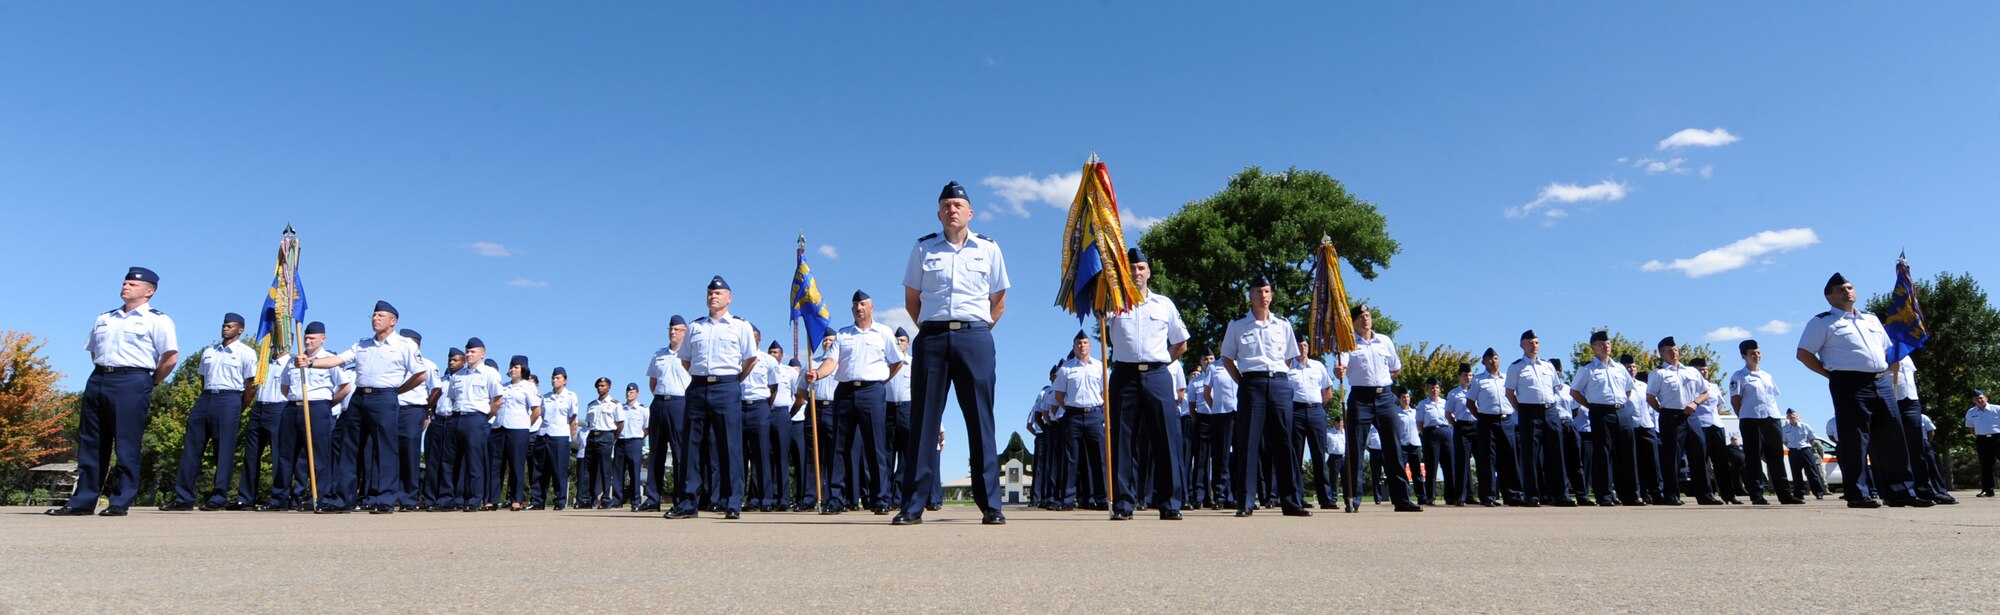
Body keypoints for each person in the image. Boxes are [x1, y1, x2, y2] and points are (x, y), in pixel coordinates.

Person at [895, 181, 1011, 526]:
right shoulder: (923, 248)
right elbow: (912, 300)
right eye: (946, 205)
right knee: (923, 423)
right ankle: (913, 505)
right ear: (939, 213)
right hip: (932, 338)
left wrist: (976, 331)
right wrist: (933, 329)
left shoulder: (989, 248)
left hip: (975, 337)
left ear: (970, 212)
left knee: (980, 420)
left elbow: (999, 301)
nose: (952, 210)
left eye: (958, 205)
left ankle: (991, 506)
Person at [51, 267, 180, 517]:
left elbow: (171, 357)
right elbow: (94, 351)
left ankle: (120, 501)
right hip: (99, 377)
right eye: (125, 283)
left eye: (133, 284)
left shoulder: (158, 319)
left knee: (126, 443)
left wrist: (151, 382)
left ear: (149, 292)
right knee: (91, 442)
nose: (126, 287)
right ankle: (83, 501)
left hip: (133, 380)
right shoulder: (105, 318)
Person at [1797, 273, 1929, 508]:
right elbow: (1804, 354)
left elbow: (1885, 349)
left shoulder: (1871, 319)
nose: (1847, 291)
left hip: (1881, 381)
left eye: (1849, 287)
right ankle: (1858, 494)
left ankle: (1900, 492)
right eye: (1840, 289)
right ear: (1829, 296)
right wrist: (1831, 374)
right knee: (1855, 441)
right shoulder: (1822, 322)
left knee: (1892, 438)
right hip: (1849, 384)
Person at [296, 301, 426, 514]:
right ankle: (342, 499)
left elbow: (420, 375)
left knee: (385, 449)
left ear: (393, 321)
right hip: (359, 398)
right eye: (374, 315)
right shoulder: (362, 344)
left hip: (384, 397)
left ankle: (384, 499)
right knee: (349, 449)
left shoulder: (404, 345)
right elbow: (338, 359)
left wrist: (397, 391)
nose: (375, 319)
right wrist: (310, 363)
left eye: (380, 315)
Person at [1101, 246, 1192, 520]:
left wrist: (1162, 362)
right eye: (1131, 269)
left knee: (1166, 438)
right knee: (1122, 440)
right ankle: (1123, 504)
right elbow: (1099, 317)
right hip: (1124, 375)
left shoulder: (1164, 304)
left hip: (1157, 374)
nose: (1136, 272)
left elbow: (1181, 342)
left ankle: (1170, 503)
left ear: (1149, 272)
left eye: (1141, 268)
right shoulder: (1113, 303)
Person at [668, 276, 759, 520]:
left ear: (729, 298)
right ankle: (688, 502)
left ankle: (732, 501)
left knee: (730, 446)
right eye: (710, 293)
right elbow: (686, 360)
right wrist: (702, 379)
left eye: (718, 293)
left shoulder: (740, 326)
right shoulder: (695, 327)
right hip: (698, 387)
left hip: (727, 387)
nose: (713, 296)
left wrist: (733, 380)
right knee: (691, 447)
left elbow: (750, 359)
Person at [1222, 275, 1311, 517]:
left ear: (1271, 295)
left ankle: (1291, 501)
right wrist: (1244, 381)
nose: (1263, 296)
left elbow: (1289, 357)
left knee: (1285, 443)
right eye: (1259, 291)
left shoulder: (1283, 324)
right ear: (1250, 296)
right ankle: (1245, 502)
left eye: (1267, 291)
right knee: (1248, 444)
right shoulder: (1237, 325)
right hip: (1252, 384)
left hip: (1280, 383)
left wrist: (1276, 377)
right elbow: (1227, 358)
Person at [816, 291, 902, 515]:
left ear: (872, 308)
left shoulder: (883, 332)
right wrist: (817, 374)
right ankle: (836, 499)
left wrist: (882, 380)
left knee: (875, 446)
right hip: (845, 392)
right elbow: (831, 361)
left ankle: (880, 498)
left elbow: (897, 361)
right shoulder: (843, 334)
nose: (859, 308)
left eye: (863, 304)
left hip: (872, 391)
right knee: (839, 447)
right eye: (855, 305)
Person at [163, 312, 256, 511]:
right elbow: (203, 378)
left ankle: (218, 497)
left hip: (229, 398)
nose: (225, 328)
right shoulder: (209, 351)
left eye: (230, 325)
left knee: (223, 451)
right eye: (224, 325)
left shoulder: (246, 352)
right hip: (206, 397)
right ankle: (183, 497)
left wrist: (240, 407)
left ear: (240, 330)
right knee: (191, 448)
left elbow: (251, 385)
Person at [276, 321, 346, 513]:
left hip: (317, 407)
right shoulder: (293, 360)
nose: (308, 341)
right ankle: (279, 497)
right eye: (306, 338)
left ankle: (319, 496)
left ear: (323, 339)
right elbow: (284, 386)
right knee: (285, 454)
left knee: (319, 455)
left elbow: (345, 387)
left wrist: (327, 404)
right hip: (293, 407)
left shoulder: (330, 359)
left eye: (312, 338)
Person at [1648, 337, 1719, 506]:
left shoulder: (1692, 372)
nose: (1674, 353)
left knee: (1699, 454)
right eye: (1669, 350)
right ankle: (1671, 495)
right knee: (1672, 457)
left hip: (1691, 415)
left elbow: (1705, 392)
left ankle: (1705, 495)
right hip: (1671, 416)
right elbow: (1650, 397)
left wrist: (1695, 403)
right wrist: (1662, 411)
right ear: (1662, 354)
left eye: (1675, 349)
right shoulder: (1659, 374)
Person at [1729, 340, 1800, 505]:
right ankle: (1757, 494)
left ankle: (1785, 494)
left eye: (1758, 353)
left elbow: (1772, 397)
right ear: (1744, 356)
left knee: (1776, 457)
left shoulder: (1767, 376)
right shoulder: (1739, 376)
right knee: (1753, 458)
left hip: (1772, 419)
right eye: (1752, 354)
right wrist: (1743, 417)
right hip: (1751, 420)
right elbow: (1735, 401)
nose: (1756, 356)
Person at [1505, 330, 1568, 507]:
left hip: (1550, 411)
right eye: (1530, 342)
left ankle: (1560, 495)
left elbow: (1555, 388)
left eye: (1536, 342)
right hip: (1529, 412)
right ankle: (1532, 495)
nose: (1534, 346)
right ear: (1522, 345)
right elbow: (1510, 393)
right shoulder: (1516, 367)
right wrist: (1522, 410)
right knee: (1530, 456)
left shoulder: (1548, 366)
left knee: (1556, 454)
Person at [1570, 331, 1631, 506]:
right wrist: (1590, 406)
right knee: (1603, 455)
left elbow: (1628, 388)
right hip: (1600, 412)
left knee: (1626, 454)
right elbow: (1574, 391)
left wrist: (1621, 403)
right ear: (1593, 347)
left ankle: (1629, 495)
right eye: (1601, 344)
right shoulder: (1587, 369)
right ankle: (1604, 495)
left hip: (1621, 411)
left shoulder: (1619, 368)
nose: (1606, 347)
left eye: (1608, 343)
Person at [441, 338, 502, 512]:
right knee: (454, 461)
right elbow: (453, 398)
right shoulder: (458, 375)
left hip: (476, 418)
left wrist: (484, 417)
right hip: (457, 417)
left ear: (483, 354)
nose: (469, 354)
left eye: (473, 351)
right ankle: (456, 498)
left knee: (475, 462)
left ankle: (474, 499)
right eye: (467, 351)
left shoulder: (489, 374)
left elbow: (498, 400)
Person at [1886, 357, 1956, 504]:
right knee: (1894, 449)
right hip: (1891, 398)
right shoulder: (1881, 349)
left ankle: (1925, 491)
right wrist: (1888, 367)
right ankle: (1897, 493)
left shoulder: (1905, 353)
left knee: (1918, 449)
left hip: (1911, 400)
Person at [235, 337, 294, 510]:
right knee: (251, 455)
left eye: (278, 342)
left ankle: (278, 498)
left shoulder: (290, 364)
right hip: (259, 407)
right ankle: (246, 498)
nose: (273, 346)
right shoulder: (264, 364)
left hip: (279, 408)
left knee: (278, 456)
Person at [1054, 333, 1108, 511]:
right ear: (1074, 346)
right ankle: (1067, 499)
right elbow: (1059, 395)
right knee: (1070, 459)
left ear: (1090, 346)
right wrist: (1071, 408)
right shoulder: (1066, 369)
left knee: (1099, 458)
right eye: (1078, 343)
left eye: (1085, 343)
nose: (1082, 346)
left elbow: (1105, 393)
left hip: (1094, 414)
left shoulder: (1100, 367)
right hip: (1073, 415)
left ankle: (1102, 498)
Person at [643, 315, 690, 512]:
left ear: (685, 332)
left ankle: (680, 498)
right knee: (656, 453)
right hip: (659, 402)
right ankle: (652, 498)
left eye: (677, 329)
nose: (673, 332)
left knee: (679, 453)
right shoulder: (659, 354)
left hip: (680, 403)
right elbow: (653, 382)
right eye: (671, 329)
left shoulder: (690, 355)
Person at [1468, 348, 1522, 506]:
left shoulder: (1507, 378)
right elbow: (1470, 403)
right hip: (1487, 421)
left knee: (1510, 458)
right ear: (1483, 362)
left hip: (1507, 420)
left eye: (1496, 358)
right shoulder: (1478, 380)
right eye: (1490, 359)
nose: (1493, 361)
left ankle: (1513, 495)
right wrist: (1481, 417)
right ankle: (1489, 496)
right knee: (1488, 459)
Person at [394, 330, 439, 511]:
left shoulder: (427, 364)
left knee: (410, 454)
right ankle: (389, 495)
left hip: (413, 410)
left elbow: (436, 389)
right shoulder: (395, 362)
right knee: (388, 453)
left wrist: (426, 410)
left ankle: (408, 498)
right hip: (392, 408)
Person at [1291, 337, 1336, 510]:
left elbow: (1328, 391)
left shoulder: (1318, 366)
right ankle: (1297, 497)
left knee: (1319, 455)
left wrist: (1318, 408)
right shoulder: (1287, 367)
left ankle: (1326, 498)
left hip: (1316, 410)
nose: (1303, 348)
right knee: (1296, 456)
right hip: (1295, 411)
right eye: (1299, 345)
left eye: (1305, 345)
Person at [1690, 358, 1741, 505]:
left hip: (1716, 425)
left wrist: (1715, 413)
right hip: (1699, 424)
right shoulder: (1691, 386)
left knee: (1721, 462)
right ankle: (1706, 494)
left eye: (1706, 369)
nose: (1704, 371)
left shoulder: (1713, 386)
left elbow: (1719, 403)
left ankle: (1728, 494)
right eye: (1701, 369)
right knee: (1702, 462)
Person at [420, 348, 464, 511]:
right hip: (437, 420)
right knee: (432, 461)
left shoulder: (463, 379)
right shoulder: (441, 380)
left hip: (453, 420)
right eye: (450, 359)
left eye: (455, 360)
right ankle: (429, 498)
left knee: (448, 461)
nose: (451, 362)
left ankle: (446, 497)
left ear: (463, 362)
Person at [739, 332, 779, 513]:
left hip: (759, 406)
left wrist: (765, 407)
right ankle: (735, 499)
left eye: (753, 336)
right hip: (739, 406)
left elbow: (773, 387)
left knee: (762, 455)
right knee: (737, 456)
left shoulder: (768, 360)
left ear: (759, 339)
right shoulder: (737, 358)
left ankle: (766, 499)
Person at [531, 367, 578, 510]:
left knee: (558, 470)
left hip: (560, 436)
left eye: (558, 378)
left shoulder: (570, 396)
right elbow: (541, 415)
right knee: (539, 470)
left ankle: (560, 500)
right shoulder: (546, 397)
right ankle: (537, 500)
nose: (554, 380)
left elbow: (573, 419)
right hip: (543, 434)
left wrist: (570, 438)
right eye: (553, 378)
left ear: (565, 380)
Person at [1192, 352, 1234, 510]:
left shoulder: (1237, 365)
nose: (1208, 361)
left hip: (1234, 414)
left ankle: (1234, 495)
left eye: (1211, 358)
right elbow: (1203, 396)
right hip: (1214, 416)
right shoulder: (1211, 370)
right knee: (1213, 458)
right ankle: (1213, 496)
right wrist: (1215, 408)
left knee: (1234, 457)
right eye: (1205, 358)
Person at [1619, 355, 1660, 505]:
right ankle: (1640, 493)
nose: (1632, 369)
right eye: (1628, 367)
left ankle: (1657, 493)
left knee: (1652, 462)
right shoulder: (1620, 386)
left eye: (1634, 366)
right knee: (1634, 463)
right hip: (1630, 426)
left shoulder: (1643, 385)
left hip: (1647, 425)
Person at [578, 378, 619, 508]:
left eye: (602, 385)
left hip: (606, 435)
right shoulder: (592, 405)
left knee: (605, 469)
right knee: (589, 469)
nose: (600, 388)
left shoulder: (615, 404)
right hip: (592, 436)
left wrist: (613, 438)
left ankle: (606, 498)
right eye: (598, 386)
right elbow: (588, 423)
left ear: (609, 387)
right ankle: (588, 499)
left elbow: (620, 424)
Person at [768, 344, 799, 512]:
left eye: (776, 352)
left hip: (782, 414)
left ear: (781, 355)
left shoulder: (790, 372)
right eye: (770, 352)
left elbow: (799, 395)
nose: (772, 354)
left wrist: (788, 415)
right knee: (767, 457)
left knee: (782, 457)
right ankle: (767, 498)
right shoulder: (764, 367)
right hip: (765, 412)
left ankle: (783, 498)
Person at [1414, 377, 1451, 507]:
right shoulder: (1423, 404)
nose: (1434, 390)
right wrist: (1425, 435)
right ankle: (1430, 496)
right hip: (1431, 433)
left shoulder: (1445, 403)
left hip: (1445, 431)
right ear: (1427, 390)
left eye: (1436, 387)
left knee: (1449, 465)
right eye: (1431, 388)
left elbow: (1450, 417)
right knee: (1431, 466)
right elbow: (1419, 423)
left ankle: (1450, 496)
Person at [1444, 363, 1477, 507]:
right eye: (1465, 375)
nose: (1468, 378)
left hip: (1476, 426)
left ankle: (1481, 495)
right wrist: (1456, 425)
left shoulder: (1477, 390)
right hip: (1462, 427)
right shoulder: (1454, 393)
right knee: (1462, 463)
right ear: (1459, 377)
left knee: (1482, 462)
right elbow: (1448, 413)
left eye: (1470, 375)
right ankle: (1460, 496)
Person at [1782, 409, 1828, 500]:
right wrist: (1793, 447)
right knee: (1796, 474)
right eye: (1790, 415)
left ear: (1797, 416)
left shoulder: (1805, 426)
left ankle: (1819, 493)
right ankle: (1799, 494)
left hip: (1806, 451)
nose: (1792, 417)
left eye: (1794, 415)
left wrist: (1808, 448)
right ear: (1787, 417)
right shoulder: (1785, 429)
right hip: (1793, 452)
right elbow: (1785, 441)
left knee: (1812, 473)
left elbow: (1812, 439)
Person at [1967, 390, 2000, 497]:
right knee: (1985, 466)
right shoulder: (1971, 412)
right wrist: (1978, 436)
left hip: (1997, 438)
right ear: (1973, 401)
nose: (1979, 400)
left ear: (1986, 398)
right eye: (1977, 399)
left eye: (1981, 398)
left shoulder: (1997, 409)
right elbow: (1971, 427)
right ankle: (1987, 490)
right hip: (1982, 440)